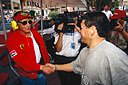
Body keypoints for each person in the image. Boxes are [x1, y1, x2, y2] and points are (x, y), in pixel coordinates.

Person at [46, 12, 128, 85]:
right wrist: (55, 67)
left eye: (81, 27)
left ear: (92, 30)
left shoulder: (115, 57)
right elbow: (75, 66)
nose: (79, 31)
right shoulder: (85, 51)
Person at [6, 11, 54, 85]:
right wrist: (41, 67)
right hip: (27, 75)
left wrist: (46, 63)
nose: (28, 25)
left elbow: (43, 50)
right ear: (17, 24)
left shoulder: (35, 33)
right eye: (24, 23)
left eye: (30, 22)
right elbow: (22, 62)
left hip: (42, 71)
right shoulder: (12, 39)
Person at [54, 12, 81, 85]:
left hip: (75, 59)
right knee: (64, 81)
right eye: (72, 21)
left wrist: (79, 30)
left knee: (76, 81)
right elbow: (58, 49)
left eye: (76, 21)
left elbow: (88, 40)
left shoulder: (79, 32)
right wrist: (61, 33)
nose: (74, 23)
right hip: (62, 59)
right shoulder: (60, 32)